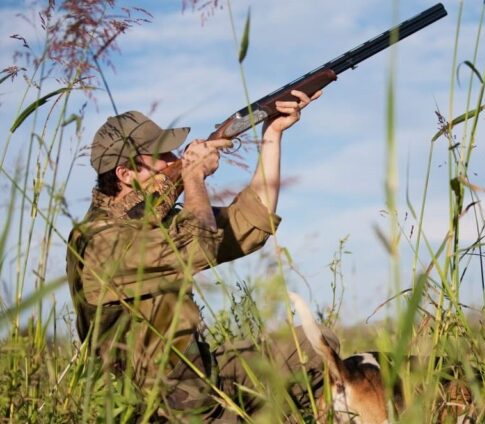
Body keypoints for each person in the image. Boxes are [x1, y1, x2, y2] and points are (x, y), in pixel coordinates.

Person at [66, 90, 338, 421]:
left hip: (197, 374)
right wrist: (193, 177)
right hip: (159, 406)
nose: (172, 160)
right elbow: (200, 243)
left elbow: (252, 223)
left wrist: (272, 135)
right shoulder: (100, 241)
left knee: (317, 346)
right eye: (162, 156)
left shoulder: (152, 222)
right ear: (125, 175)